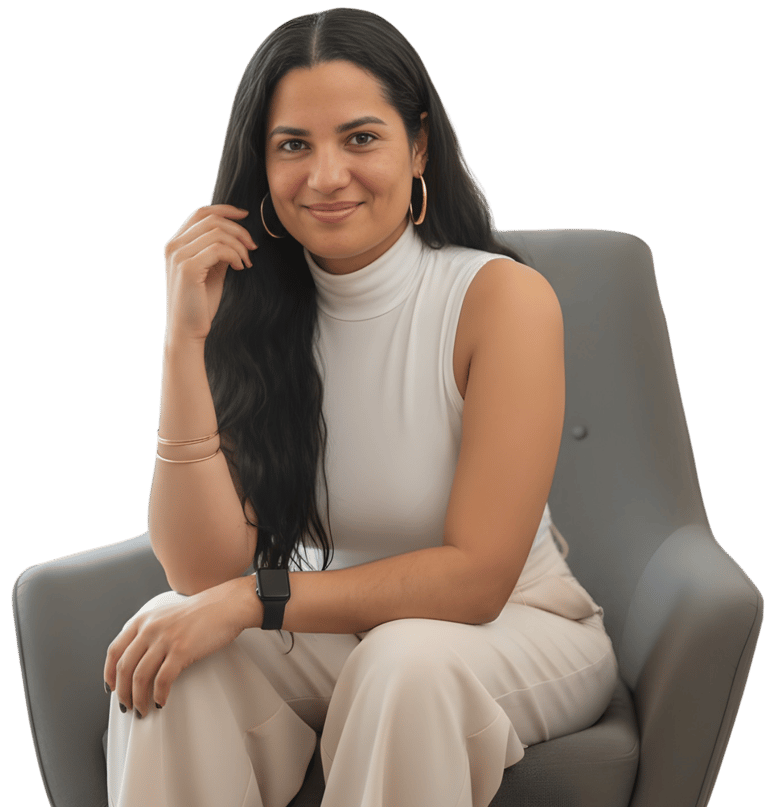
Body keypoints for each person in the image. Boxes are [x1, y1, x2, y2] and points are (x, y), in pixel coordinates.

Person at [102, 7, 619, 807]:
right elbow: (201, 572)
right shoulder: (253, 314)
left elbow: (478, 579)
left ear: (418, 147)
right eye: (293, 146)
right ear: (262, 164)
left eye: (360, 138)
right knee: (175, 641)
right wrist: (184, 338)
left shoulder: (499, 299)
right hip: (334, 632)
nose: (325, 176)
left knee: (404, 662)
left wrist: (255, 599)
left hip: (511, 629)